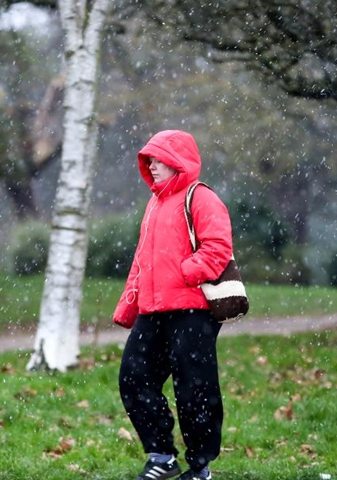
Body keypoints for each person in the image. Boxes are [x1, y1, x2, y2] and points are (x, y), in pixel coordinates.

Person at [113, 130, 233, 480]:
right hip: (153, 312)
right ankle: (161, 457)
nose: (150, 165)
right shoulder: (154, 204)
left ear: (177, 161)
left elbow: (218, 247)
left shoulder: (201, 198)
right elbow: (141, 261)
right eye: (147, 160)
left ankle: (200, 468)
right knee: (133, 379)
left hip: (193, 310)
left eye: (157, 159)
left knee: (195, 389)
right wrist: (128, 305)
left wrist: (183, 272)